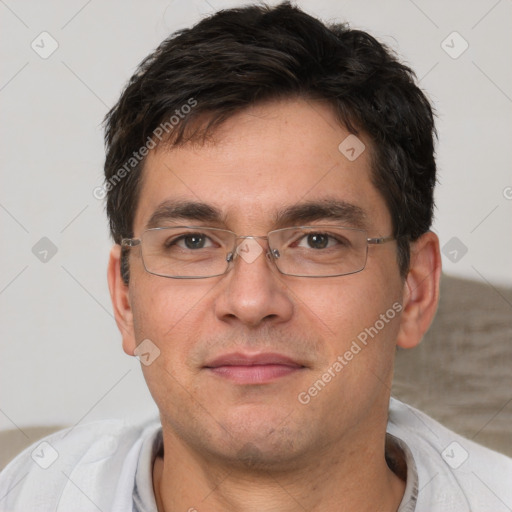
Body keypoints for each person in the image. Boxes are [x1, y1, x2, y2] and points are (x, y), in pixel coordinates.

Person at [1, 2, 511, 511]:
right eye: (193, 242)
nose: (250, 301)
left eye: (317, 241)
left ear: (415, 290)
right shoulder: (28, 492)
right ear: (125, 299)